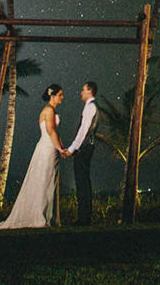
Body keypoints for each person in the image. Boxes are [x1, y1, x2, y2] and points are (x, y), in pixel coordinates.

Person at [0, 84, 68, 229]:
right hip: (48, 148)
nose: (62, 97)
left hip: (50, 147)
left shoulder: (50, 110)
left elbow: (55, 132)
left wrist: (62, 148)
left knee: (49, 180)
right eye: (60, 94)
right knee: (44, 180)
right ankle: (40, 216)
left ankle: (48, 216)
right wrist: (59, 148)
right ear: (53, 96)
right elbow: (50, 131)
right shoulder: (49, 110)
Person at [62, 81, 100, 225]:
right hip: (87, 146)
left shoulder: (90, 107)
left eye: (83, 90)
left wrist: (72, 149)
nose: (81, 92)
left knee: (82, 181)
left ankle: (84, 218)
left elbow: (83, 131)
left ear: (90, 91)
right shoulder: (91, 107)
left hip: (84, 147)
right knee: (83, 181)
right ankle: (84, 217)